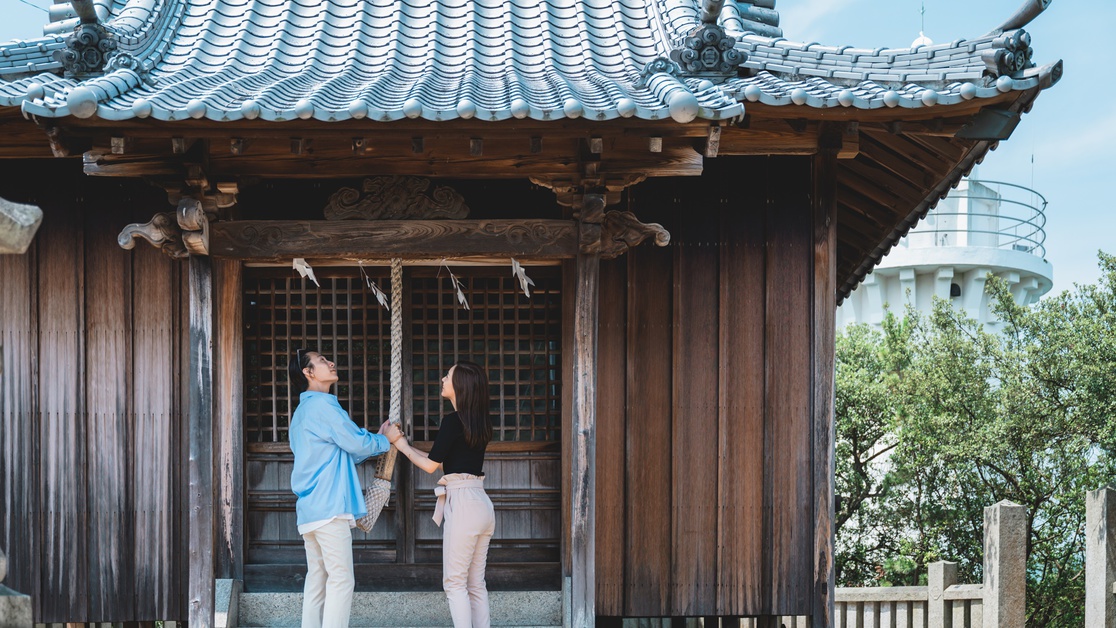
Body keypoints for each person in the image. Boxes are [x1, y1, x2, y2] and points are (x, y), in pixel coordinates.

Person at [287, 348, 394, 628]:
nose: (330, 362)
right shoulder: (323, 404)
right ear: (308, 373)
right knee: (342, 578)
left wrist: (378, 438)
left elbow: (344, 452)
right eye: (322, 360)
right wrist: (386, 441)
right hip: (329, 506)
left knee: (317, 580)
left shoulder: (302, 412)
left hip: (310, 511)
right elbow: (357, 443)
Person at [385, 360, 495, 628]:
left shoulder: (452, 421)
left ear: (461, 385)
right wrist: (404, 446)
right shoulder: (479, 422)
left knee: (455, 583)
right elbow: (442, 460)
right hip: (481, 502)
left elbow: (431, 466)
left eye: (448, 376)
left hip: (463, 504)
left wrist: (398, 443)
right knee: (475, 584)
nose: (443, 379)